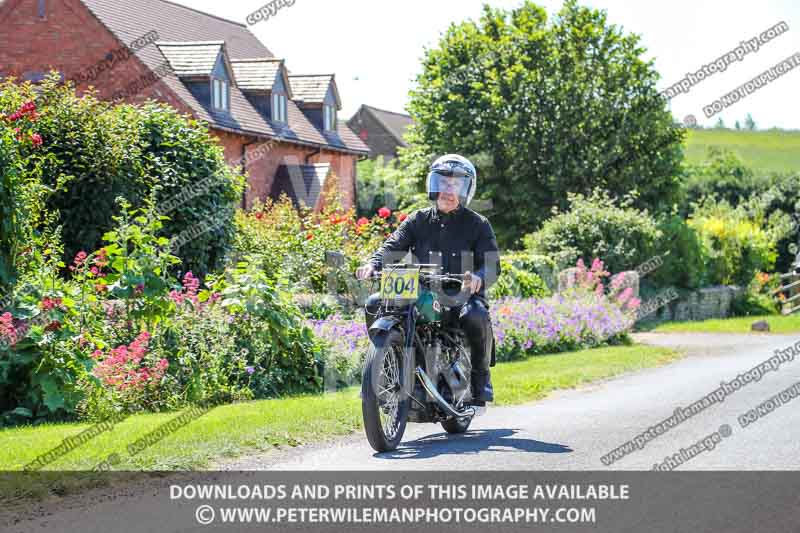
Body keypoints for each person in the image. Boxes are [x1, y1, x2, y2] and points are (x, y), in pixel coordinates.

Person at [355, 154, 501, 405]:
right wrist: (373, 263)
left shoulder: (478, 224)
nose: (448, 190)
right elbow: (393, 245)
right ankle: (385, 362)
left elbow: (491, 265)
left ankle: (480, 379)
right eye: (443, 183)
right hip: (422, 289)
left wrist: (478, 277)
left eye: (456, 185)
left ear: (467, 190)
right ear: (433, 185)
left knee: (475, 315)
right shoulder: (418, 219)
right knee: (374, 302)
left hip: (460, 294)